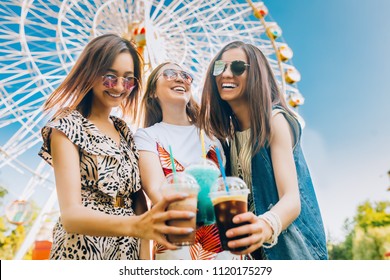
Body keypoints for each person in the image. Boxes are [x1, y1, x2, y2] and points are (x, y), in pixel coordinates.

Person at [38, 34, 195, 260]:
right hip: (84, 247)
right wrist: (137, 226)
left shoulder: (124, 131)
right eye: (110, 77)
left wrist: (143, 260)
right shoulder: (67, 126)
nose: (120, 87)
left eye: (129, 80)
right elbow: (71, 215)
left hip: (127, 249)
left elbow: (138, 200)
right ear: (90, 73)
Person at [199, 41, 328, 260]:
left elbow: (291, 199)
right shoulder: (227, 141)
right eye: (219, 67)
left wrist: (265, 226)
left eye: (238, 67)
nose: (226, 74)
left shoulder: (275, 121)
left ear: (257, 74)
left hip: (290, 252)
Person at [134, 62, 239, 260]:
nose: (180, 78)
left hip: (222, 244)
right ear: (152, 93)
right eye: (170, 74)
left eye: (186, 75)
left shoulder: (212, 135)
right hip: (177, 243)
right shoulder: (147, 136)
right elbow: (155, 189)